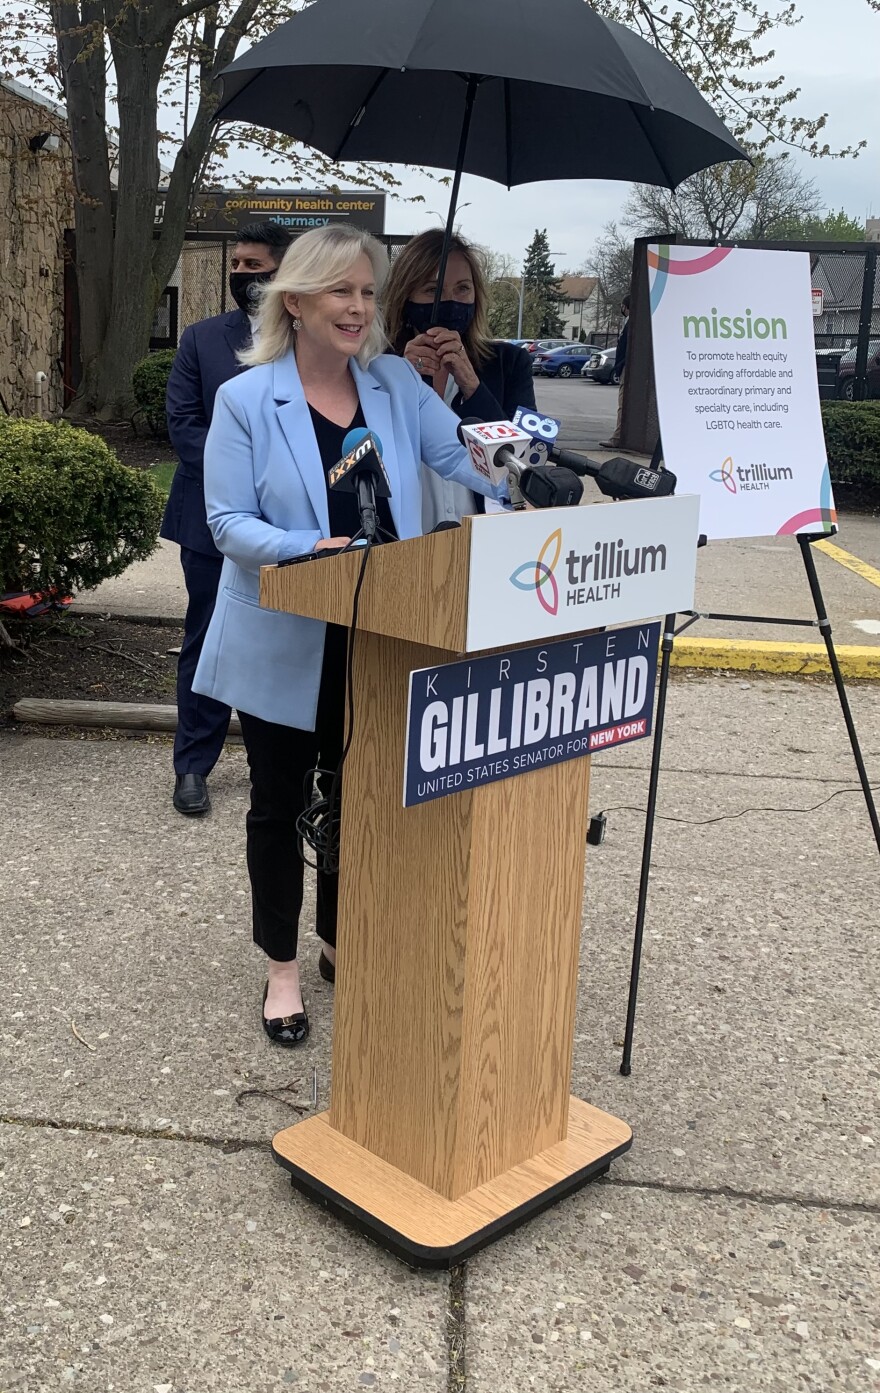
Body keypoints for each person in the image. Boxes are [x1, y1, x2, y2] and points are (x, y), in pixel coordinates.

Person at [191, 224, 507, 1046]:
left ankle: (340, 936)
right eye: (341, 291)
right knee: (280, 800)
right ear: (294, 302)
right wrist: (315, 548)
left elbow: (461, 456)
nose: (360, 307)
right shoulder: (246, 399)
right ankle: (282, 967)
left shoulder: (396, 383)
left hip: (383, 629)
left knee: (357, 796)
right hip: (286, 632)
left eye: (368, 292)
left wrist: (523, 477)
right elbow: (226, 523)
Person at [162, 221, 293, 816]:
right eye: (236, 265)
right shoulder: (201, 339)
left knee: (289, 642)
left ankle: (287, 767)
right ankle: (193, 765)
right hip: (211, 524)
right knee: (208, 639)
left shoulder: (308, 341)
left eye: (254, 265)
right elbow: (184, 422)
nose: (242, 275)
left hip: (295, 527)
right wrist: (236, 487)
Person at [383, 229, 536, 529]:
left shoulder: (510, 363)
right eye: (432, 290)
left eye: (463, 288)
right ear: (405, 296)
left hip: (484, 538)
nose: (450, 301)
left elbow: (526, 462)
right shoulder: (378, 369)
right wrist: (405, 380)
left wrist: (472, 386)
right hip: (403, 544)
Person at [600, 294, 630, 451]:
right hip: (625, 367)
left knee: (623, 402)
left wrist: (620, 366)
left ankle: (617, 437)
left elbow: (625, 348)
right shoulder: (631, 323)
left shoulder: (631, 324)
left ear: (625, 307)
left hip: (626, 368)